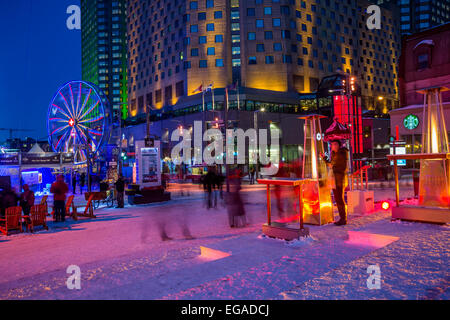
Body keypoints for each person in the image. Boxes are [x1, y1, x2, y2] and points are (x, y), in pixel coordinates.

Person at [320, 140, 349, 226]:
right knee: (337, 199)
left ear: (338, 145)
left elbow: (342, 168)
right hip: (334, 179)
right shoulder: (334, 154)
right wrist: (325, 158)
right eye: (332, 144)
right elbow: (331, 165)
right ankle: (342, 218)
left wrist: (333, 168)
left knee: (339, 199)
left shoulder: (342, 154)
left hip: (339, 179)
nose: (333, 146)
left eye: (334, 144)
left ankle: (343, 219)